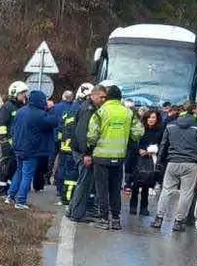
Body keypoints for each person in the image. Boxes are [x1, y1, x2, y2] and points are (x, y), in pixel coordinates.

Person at [87, 85, 143, 229]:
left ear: (107, 97)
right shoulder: (128, 113)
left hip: (101, 156)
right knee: (115, 189)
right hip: (119, 157)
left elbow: (92, 135)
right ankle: (116, 220)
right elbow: (138, 132)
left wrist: (90, 147)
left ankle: (104, 219)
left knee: (102, 189)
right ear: (120, 97)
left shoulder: (100, 112)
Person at [152, 102, 197, 232]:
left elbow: (163, 145)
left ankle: (158, 218)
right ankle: (178, 222)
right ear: (195, 110)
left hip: (172, 162)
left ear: (181, 110)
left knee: (166, 190)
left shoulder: (171, 125)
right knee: (186, 193)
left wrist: (159, 162)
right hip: (190, 164)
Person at [6, 90, 60, 209]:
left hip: (18, 147)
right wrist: (51, 109)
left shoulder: (21, 111)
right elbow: (54, 121)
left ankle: (10, 195)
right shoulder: (40, 114)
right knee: (27, 175)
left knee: (19, 172)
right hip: (31, 150)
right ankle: (21, 201)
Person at [67, 84, 106, 222]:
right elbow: (82, 133)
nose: (103, 100)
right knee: (84, 183)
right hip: (83, 152)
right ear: (93, 95)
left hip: (80, 150)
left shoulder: (88, 107)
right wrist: (87, 154)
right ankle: (76, 214)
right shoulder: (88, 110)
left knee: (83, 182)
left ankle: (72, 210)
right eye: (101, 97)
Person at [0, 81, 28, 193]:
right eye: (22, 93)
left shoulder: (22, 107)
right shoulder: (7, 107)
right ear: (15, 93)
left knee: (13, 168)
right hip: (8, 143)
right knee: (5, 168)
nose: (24, 95)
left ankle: (8, 190)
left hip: (18, 144)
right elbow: (2, 124)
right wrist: (4, 140)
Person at [129, 110, 163, 217]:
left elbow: (162, 144)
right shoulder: (140, 130)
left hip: (151, 159)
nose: (151, 120)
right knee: (135, 183)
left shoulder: (159, 131)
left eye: (153, 117)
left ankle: (144, 207)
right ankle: (133, 207)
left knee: (147, 184)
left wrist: (153, 151)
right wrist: (139, 150)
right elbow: (132, 142)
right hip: (138, 159)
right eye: (149, 117)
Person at [52, 90, 75, 201]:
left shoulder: (56, 107)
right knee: (65, 166)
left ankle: (49, 178)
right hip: (67, 142)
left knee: (54, 160)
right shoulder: (73, 109)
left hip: (55, 137)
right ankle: (62, 189)